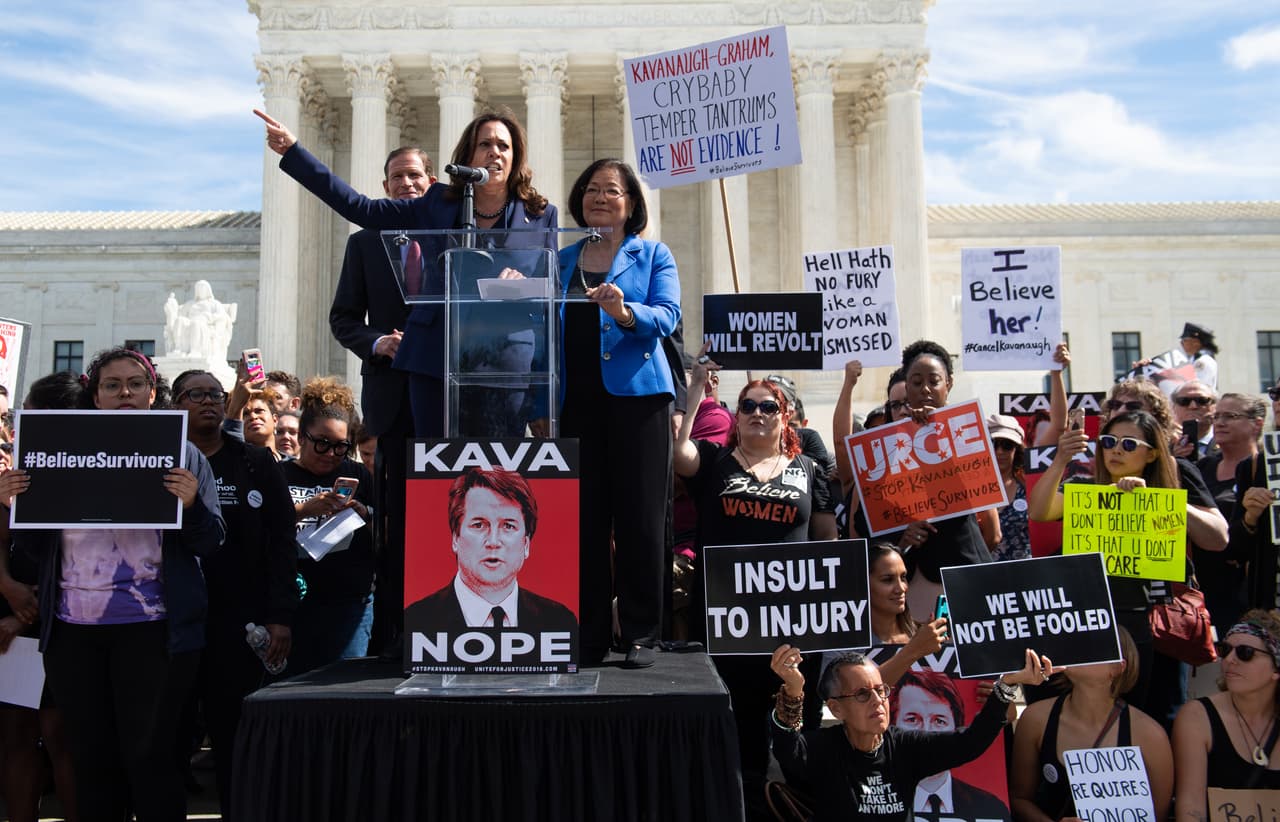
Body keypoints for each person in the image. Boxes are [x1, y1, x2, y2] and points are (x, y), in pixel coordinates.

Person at [8, 347, 224, 822]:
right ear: (95, 395)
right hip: (72, 633)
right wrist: (17, 507)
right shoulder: (57, 450)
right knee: (90, 758)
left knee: (150, 757)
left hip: (154, 632)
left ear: (151, 393)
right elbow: (32, 555)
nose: (124, 392)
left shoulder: (184, 453)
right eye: (112, 385)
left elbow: (211, 541)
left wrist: (192, 507)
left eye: (135, 384)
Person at [257, 107, 559, 439]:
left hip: (505, 364)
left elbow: (553, 290)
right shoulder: (437, 204)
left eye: (503, 146)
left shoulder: (539, 215)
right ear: (468, 156)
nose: (494, 153)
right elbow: (360, 208)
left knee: (495, 463)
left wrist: (520, 287)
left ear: (516, 156)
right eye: (485, 144)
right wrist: (294, 152)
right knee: (434, 463)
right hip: (434, 359)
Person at [675, 356, 834, 816]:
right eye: (748, 406)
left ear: (786, 416)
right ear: (737, 415)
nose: (757, 413)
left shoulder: (809, 468)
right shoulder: (715, 462)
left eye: (768, 406)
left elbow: (828, 542)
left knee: (797, 730)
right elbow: (679, 456)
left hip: (793, 628)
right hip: (730, 627)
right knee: (741, 738)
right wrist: (696, 391)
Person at [552, 159, 680, 669]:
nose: (599, 198)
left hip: (639, 403)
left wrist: (624, 312)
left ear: (631, 204)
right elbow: (541, 329)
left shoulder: (653, 255)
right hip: (576, 403)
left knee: (639, 521)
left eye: (611, 190)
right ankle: (588, 632)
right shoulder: (561, 259)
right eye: (591, 190)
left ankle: (642, 631)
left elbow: (668, 316)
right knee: (584, 521)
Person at [1028, 409, 1228, 717]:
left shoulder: (1162, 497)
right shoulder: (1087, 491)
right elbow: (1040, 511)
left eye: (1129, 444)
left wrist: (1161, 502)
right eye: (1109, 442)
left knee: (1128, 718)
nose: (1116, 450)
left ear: (1152, 454)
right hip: (1082, 622)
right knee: (1072, 714)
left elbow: (1219, 537)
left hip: (1135, 627)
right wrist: (1061, 460)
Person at [171, 369, 297, 818]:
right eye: (195, 394)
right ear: (174, 405)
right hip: (171, 621)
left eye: (215, 393)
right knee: (169, 736)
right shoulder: (160, 460)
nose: (208, 401)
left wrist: (279, 615)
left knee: (233, 736)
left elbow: (282, 541)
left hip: (239, 621)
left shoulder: (254, 461)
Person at [328, 146, 434, 654]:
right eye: (397, 177)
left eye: (414, 176)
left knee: (445, 509)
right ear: (385, 186)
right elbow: (343, 317)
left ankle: (445, 624)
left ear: (431, 182)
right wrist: (376, 342)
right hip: (391, 397)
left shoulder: (455, 236)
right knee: (397, 518)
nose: (406, 184)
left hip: (447, 395)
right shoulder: (364, 243)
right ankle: (394, 633)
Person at [769, 645, 1057, 822]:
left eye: (881, 691)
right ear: (836, 708)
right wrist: (794, 690)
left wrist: (1007, 685)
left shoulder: (904, 746)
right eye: (862, 694)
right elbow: (788, 750)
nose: (877, 702)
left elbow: (970, 743)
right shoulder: (826, 748)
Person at [1010, 625, 1174, 822]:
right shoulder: (1035, 719)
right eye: (1075, 642)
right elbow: (1019, 799)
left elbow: (1158, 815)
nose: (1076, 650)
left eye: (1091, 645)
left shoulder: (1151, 735)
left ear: (1117, 668)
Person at [403, 467, 576, 633]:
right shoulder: (416, 621)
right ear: (455, 538)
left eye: (508, 526)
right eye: (479, 525)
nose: (493, 542)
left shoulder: (559, 621)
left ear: (526, 544)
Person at [279, 378, 375, 675]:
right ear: (302, 437)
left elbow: (385, 529)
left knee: (342, 684)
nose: (331, 454)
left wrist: (364, 514)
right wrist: (303, 510)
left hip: (349, 602)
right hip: (294, 602)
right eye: (322, 444)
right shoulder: (278, 474)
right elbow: (261, 529)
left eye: (341, 447)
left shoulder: (357, 473)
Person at [1172, 610, 1280, 820]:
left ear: (1276, 669)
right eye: (1225, 650)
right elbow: (1191, 808)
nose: (1230, 660)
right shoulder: (1197, 717)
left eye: (1245, 653)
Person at [890, 670, 1010, 822]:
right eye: (912, 719)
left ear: (957, 728)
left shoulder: (991, 806)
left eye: (939, 721)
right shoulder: (871, 801)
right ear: (892, 724)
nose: (926, 731)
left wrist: (1003, 695)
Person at [1198, 393, 1265, 633]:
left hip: (1244, 588)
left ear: (1257, 424)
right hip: (1206, 583)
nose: (1220, 423)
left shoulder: (1264, 470)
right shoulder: (1202, 467)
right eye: (1217, 416)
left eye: (1230, 416)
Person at [865, 543, 948, 687]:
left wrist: (983, 691)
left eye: (903, 577)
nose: (901, 588)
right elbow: (858, 693)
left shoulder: (928, 637)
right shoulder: (847, 644)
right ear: (862, 584)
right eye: (887, 580)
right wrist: (915, 649)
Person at [988, 412, 1031, 562]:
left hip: (1023, 573)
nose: (999, 451)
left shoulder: (1029, 488)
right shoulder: (971, 492)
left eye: (1007, 445)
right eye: (993, 444)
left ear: (1016, 449)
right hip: (981, 572)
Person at [1171, 379, 1217, 460]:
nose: (1193, 406)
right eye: (1184, 401)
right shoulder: (1164, 445)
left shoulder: (1229, 441)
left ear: (1215, 407)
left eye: (1202, 400)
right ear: (1174, 408)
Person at [1179, 322, 1219, 391]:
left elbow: (1197, 387)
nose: (1181, 344)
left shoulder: (1203, 361)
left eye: (1184, 340)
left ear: (1196, 342)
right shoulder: (1195, 359)